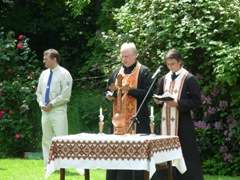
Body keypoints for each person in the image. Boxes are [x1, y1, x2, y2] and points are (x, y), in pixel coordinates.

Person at [153, 49, 204, 180]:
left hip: (183, 124)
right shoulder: (164, 79)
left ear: (180, 62)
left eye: (173, 64)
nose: (170, 66)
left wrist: (178, 103)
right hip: (166, 124)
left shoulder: (189, 78)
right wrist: (158, 101)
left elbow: (197, 101)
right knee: (164, 153)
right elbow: (159, 97)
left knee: (186, 153)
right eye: (168, 64)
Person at [105, 42, 152, 180]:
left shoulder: (143, 71)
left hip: (137, 120)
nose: (124, 59)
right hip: (118, 122)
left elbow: (148, 94)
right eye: (122, 56)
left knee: (136, 157)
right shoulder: (116, 72)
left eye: (127, 56)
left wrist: (130, 91)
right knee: (115, 155)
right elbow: (108, 89)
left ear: (135, 55)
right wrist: (108, 95)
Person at [36, 49, 73, 170]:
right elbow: (39, 92)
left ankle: (63, 166)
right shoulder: (44, 74)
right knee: (46, 138)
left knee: (61, 138)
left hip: (58, 111)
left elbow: (65, 95)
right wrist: (42, 103)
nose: (44, 61)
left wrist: (52, 104)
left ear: (54, 59)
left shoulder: (64, 74)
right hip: (45, 112)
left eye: (46, 59)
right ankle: (48, 165)